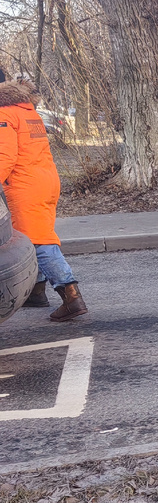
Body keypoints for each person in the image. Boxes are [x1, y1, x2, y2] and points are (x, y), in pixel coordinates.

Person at [0, 76, 87, 321]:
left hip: (24, 185)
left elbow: (4, 156)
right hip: (45, 181)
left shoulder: (4, 115)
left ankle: (71, 297)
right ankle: (36, 292)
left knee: (40, 242)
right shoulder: (28, 111)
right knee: (31, 236)